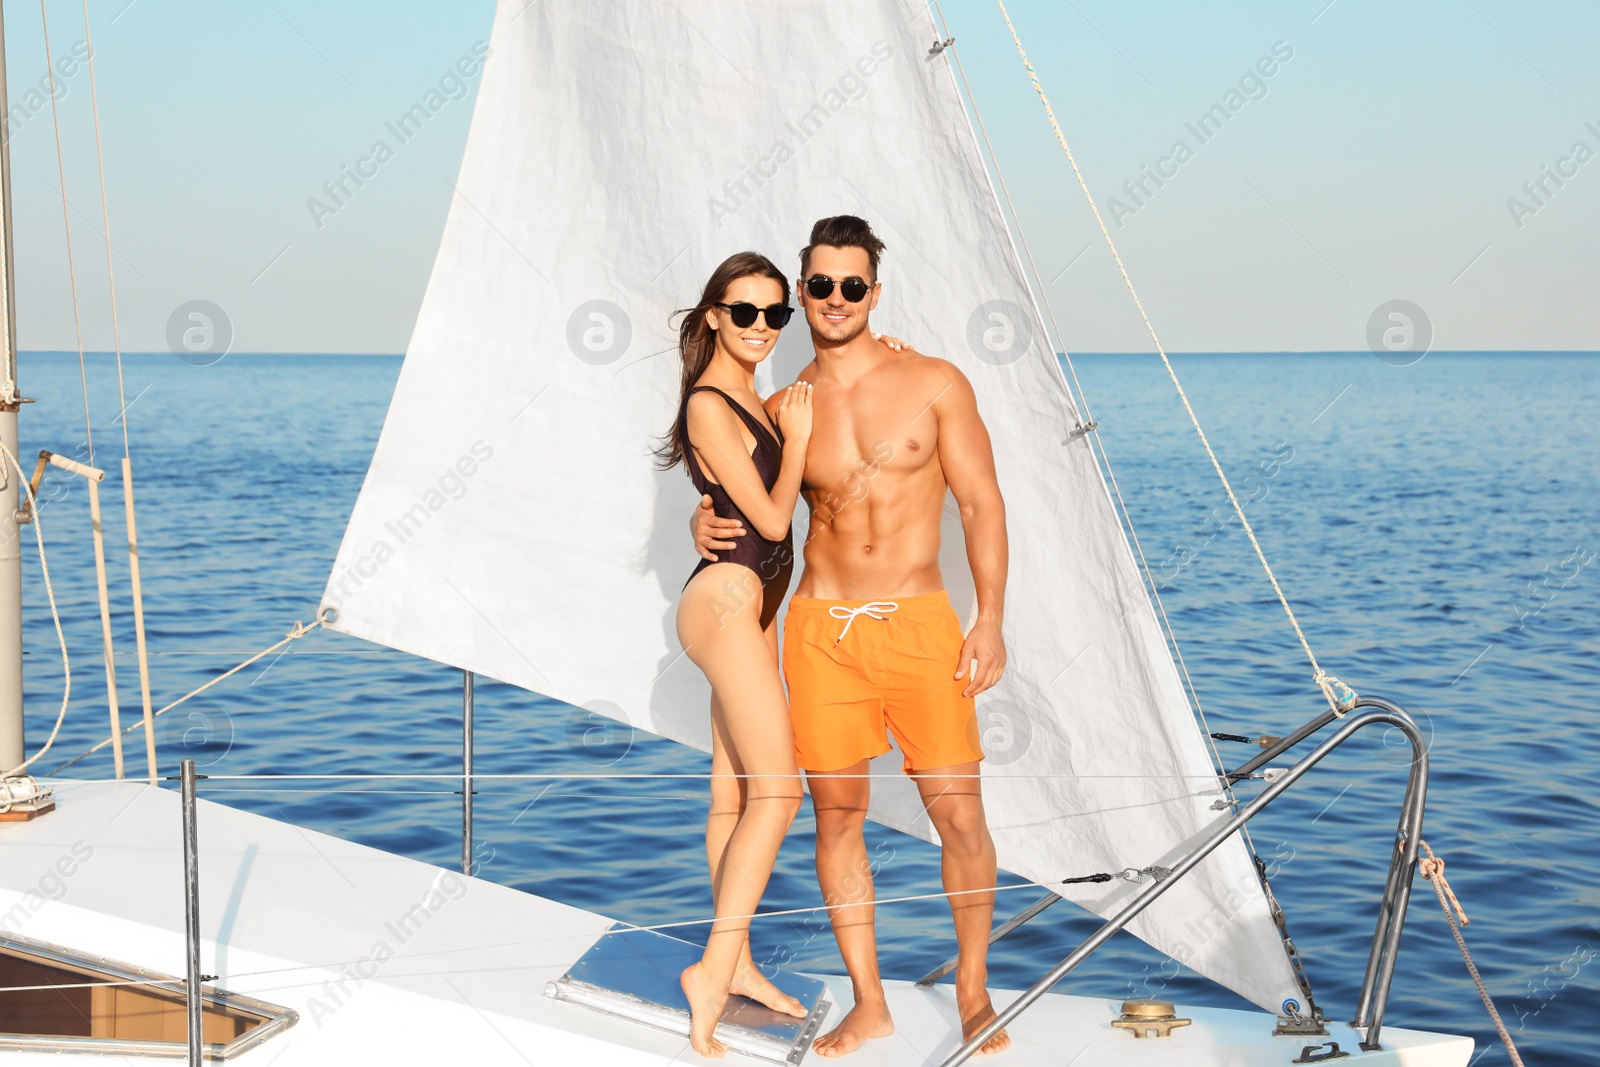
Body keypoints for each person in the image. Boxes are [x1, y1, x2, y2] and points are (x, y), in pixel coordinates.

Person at [694, 216, 1011, 1057]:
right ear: (803, 294)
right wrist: (704, 523)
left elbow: (981, 503)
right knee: (836, 818)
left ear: (875, 291)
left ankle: (974, 992)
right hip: (820, 632)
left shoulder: (936, 382)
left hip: (919, 626)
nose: (837, 299)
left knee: (961, 817)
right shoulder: (781, 405)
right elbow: (742, 501)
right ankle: (870, 1002)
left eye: (854, 285)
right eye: (822, 286)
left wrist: (991, 618)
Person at [658, 251, 812, 1058]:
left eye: (774, 314)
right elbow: (774, 520)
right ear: (713, 313)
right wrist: (802, 442)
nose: (760, 327)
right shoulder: (712, 402)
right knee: (780, 795)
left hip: (747, 607)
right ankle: (712, 974)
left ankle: (742, 963)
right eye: (744, 311)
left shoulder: (755, 395)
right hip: (721, 603)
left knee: (735, 798)